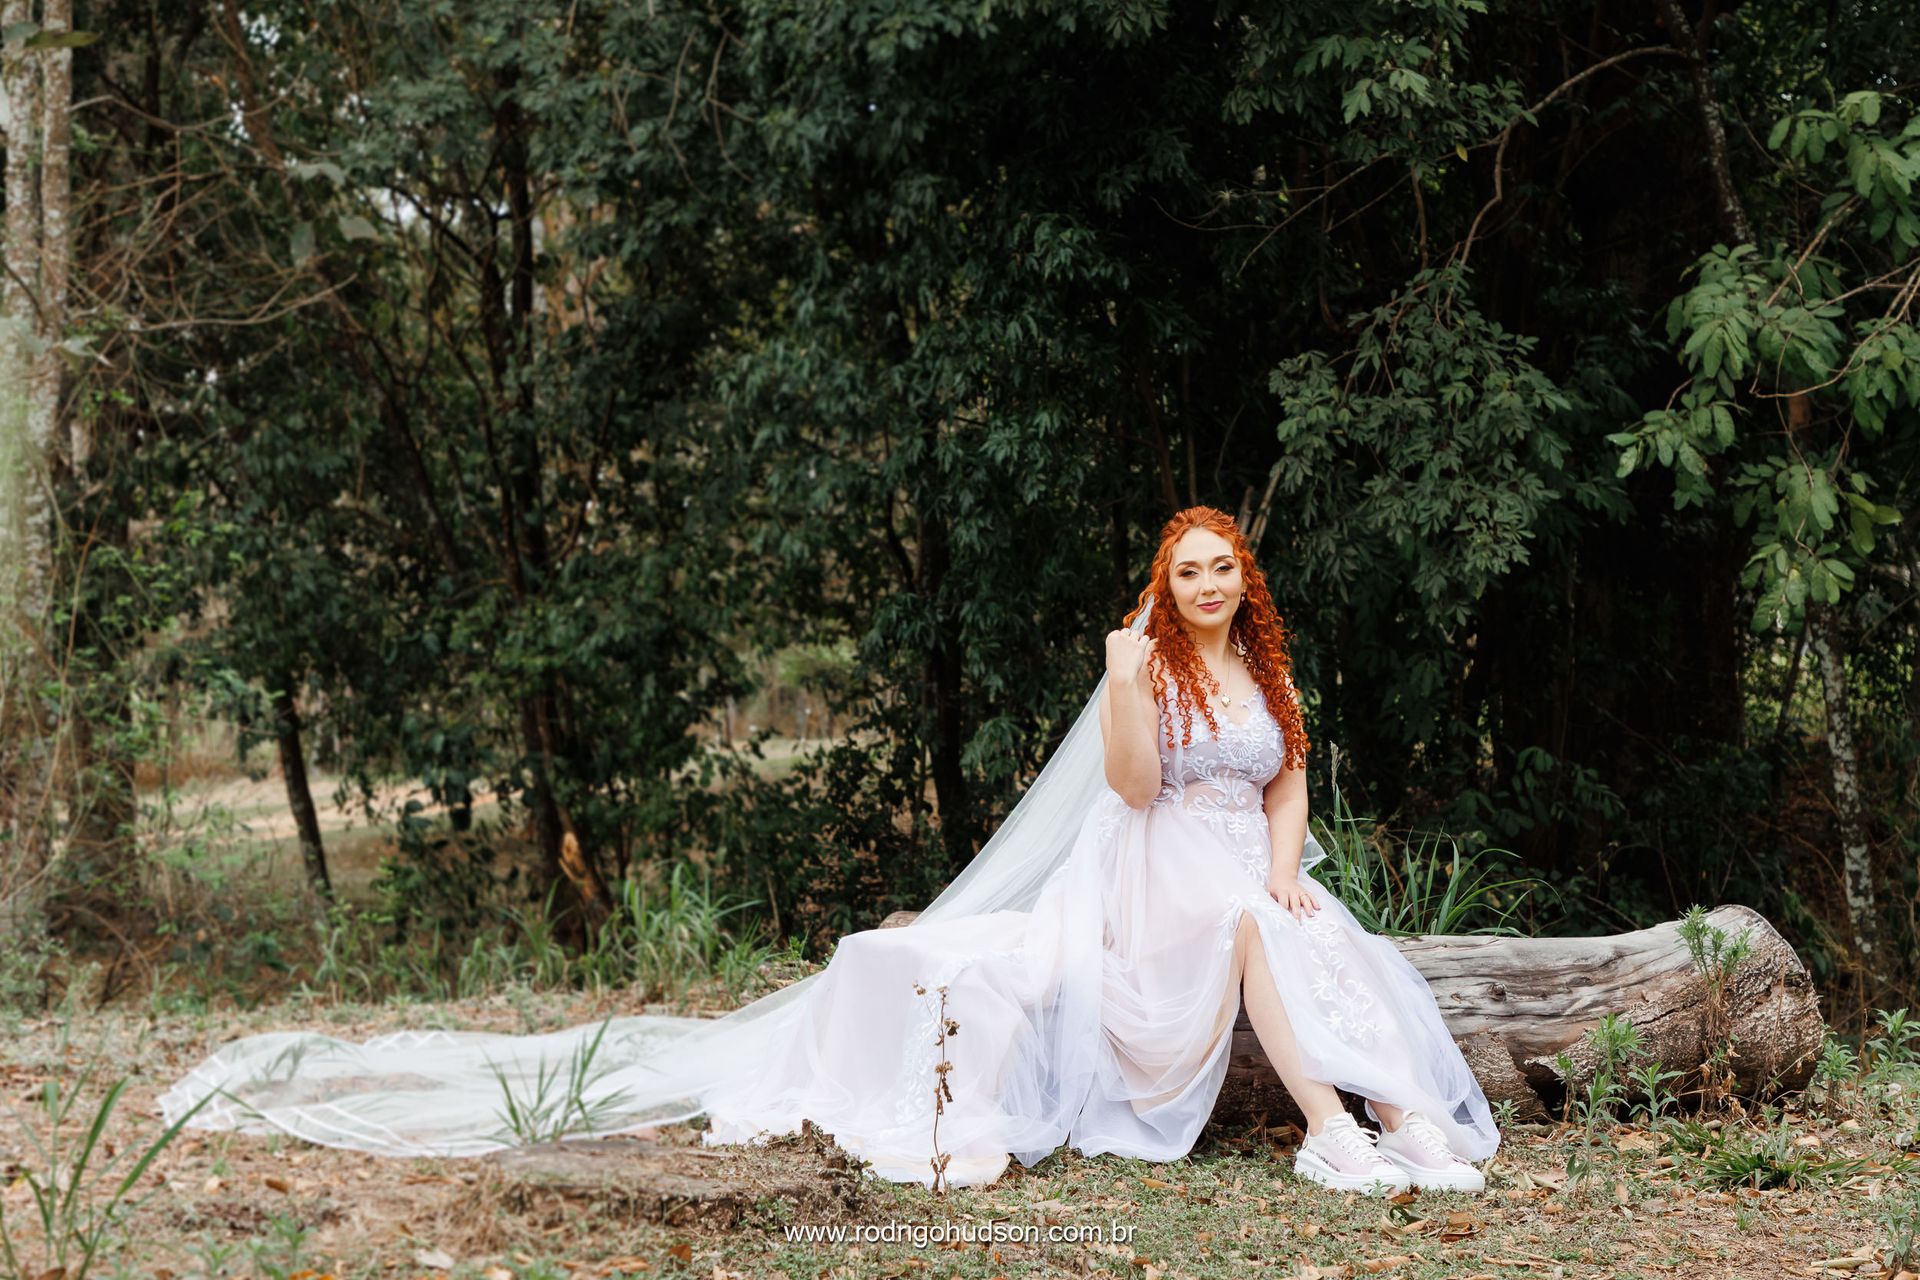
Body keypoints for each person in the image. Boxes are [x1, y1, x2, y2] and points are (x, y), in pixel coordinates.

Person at [158, 506, 1498, 1195]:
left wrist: (1282, 859)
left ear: (1244, 583)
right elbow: (1137, 793)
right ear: (1164, 582)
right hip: (1153, 877)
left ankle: (1410, 1118)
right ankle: (1333, 1131)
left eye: (1225, 570)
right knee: (1263, 934)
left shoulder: (1264, 671)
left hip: (1240, 862)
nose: (1210, 584)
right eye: (1189, 570)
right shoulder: (1145, 668)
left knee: (1325, 929)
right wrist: (1123, 671)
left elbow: (1291, 777)